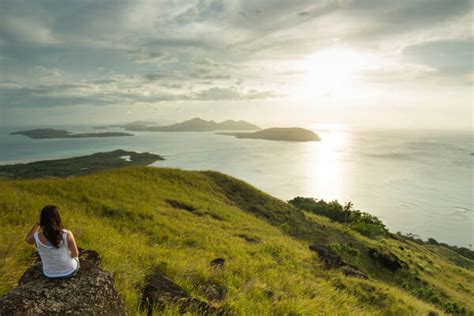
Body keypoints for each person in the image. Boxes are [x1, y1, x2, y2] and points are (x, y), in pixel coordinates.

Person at [25, 205, 80, 279]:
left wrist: (38, 224)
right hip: (69, 271)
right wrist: (69, 254)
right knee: (75, 259)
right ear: (58, 218)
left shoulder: (36, 237)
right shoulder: (67, 234)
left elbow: (28, 239)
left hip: (49, 274)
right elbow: (75, 254)